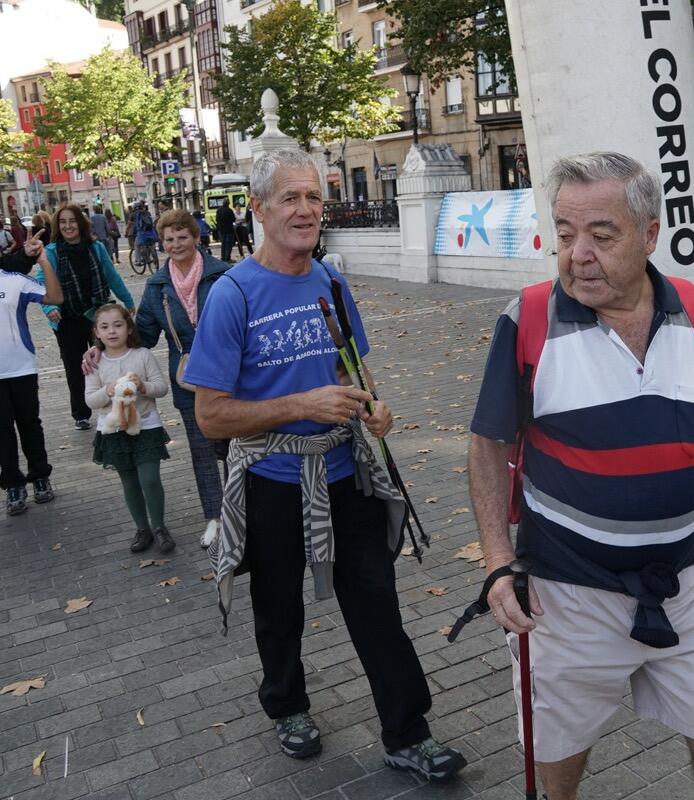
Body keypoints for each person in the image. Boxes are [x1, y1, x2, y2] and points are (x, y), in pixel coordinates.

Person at [467, 152, 694, 800]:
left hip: (685, 582)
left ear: (649, 235)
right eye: (565, 234)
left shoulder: (691, 309)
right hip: (567, 596)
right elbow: (487, 446)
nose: (578, 255)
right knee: (558, 754)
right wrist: (498, 561)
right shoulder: (528, 320)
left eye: (601, 234)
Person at [186, 149, 466, 777]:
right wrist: (300, 405)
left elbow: (352, 370)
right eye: (289, 197)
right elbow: (210, 417)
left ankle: (408, 733)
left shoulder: (331, 282)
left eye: (313, 196)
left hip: (344, 471)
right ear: (258, 209)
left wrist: (373, 406)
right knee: (278, 605)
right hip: (271, 481)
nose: (305, 209)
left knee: (377, 603)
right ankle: (287, 706)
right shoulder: (232, 294)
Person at [83, 209, 229, 547]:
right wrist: (98, 347)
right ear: (161, 243)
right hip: (187, 378)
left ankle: (243, 511)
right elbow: (143, 335)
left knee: (235, 446)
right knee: (202, 451)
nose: (176, 244)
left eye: (182, 237)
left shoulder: (223, 275)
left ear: (196, 238)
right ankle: (215, 518)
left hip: (229, 373)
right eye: (169, 239)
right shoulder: (157, 286)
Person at [37, 204, 135, 431]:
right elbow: (42, 282)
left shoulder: (96, 247)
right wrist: (48, 308)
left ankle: (114, 405)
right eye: (63, 222)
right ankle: (81, 413)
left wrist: (128, 301)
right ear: (57, 226)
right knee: (74, 367)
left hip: (98, 315)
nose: (68, 226)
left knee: (106, 361)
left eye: (72, 221)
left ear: (80, 224)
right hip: (66, 318)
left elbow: (111, 275)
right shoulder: (51, 252)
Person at [84, 304, 173, 552]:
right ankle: (142, 529)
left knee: (150, 478)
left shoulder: (143, 355)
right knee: (130, 482)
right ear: (97, 332)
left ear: (129, 328)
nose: (112, 331)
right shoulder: (94, 362)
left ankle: (159, 527)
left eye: (118, 325)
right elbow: (90, 400)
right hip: (113, 430)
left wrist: (143, 386)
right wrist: (107, 390)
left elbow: (161, 388)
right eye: (104, 327)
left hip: (147, 425)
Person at [2, 235, 63, 515]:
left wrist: (44, 263)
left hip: (22, 368)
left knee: (30, 425)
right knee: (2, 432)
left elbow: (55, 298)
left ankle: (40, 477)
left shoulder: (14, 280)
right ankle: (13, 485)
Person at [131, 202, 160, 270]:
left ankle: (138, 260)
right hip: (151, 234)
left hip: (142, 234)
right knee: (152, 245)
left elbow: (135, 226)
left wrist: (131, 233)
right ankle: (153, 258)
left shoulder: (135, 214)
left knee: (136, 245)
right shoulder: (148, 213)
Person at [216, 197, 236, 262]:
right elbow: (233, 219)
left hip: (221, 230)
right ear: (228, 203)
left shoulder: (219, 210)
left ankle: (223, 257)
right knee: (229, 244)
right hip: (229, 230)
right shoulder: (229, 210)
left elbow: (217, 219)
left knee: (223, 244)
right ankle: (227, 258)